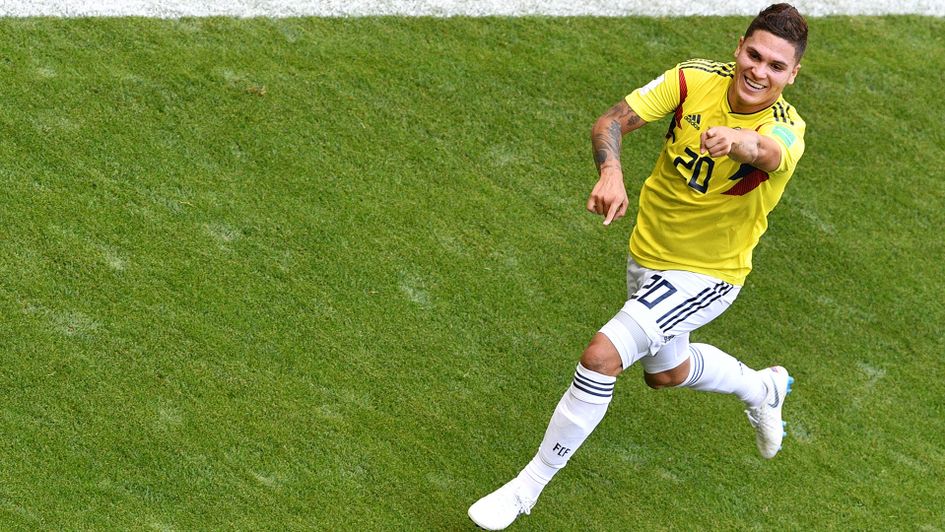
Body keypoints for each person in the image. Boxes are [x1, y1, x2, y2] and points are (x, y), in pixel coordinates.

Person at [468, 3, 808, 530]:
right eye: (754, 55)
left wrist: (735, 140)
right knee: (666, 373)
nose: (759, 72)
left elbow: (767, 151)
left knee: (602, 355)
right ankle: (763, 388)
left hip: (709, 275)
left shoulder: (788, 127)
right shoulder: (692, 80)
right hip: (649, 257)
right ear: (738, 47)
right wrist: (612, 172)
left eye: (776, 67)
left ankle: (523, 490)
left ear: (792, 75)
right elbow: (610, 122)